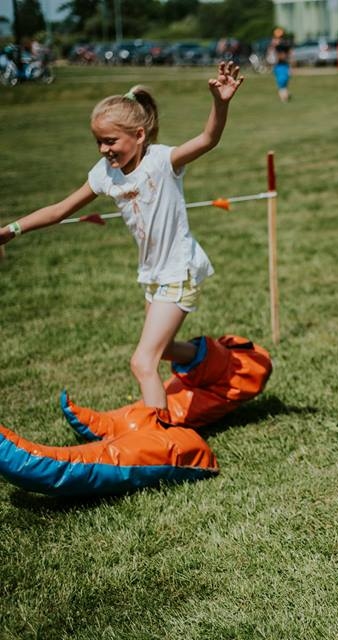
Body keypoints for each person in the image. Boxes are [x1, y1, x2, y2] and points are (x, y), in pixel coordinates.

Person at [0, 62, 244, 427]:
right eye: (98, 141)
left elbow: (208, 139)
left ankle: (162, 441)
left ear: (140, 135)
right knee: (162, 352)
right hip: (152, 275)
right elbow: (60, 209)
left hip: (179, 270)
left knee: (142, 361)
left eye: (111, 141)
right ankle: (210, 358)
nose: (103, 149)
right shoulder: (105, 174)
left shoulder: (163, 162)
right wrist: (11, 229)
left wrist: (220, 103)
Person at [268, 28, 292, 102]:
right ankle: (284, 97)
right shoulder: (274, 45)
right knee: (281, 82)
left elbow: (288, 54)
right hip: (278, 66)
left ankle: (285, 94)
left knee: (284, 81)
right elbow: (271, 56)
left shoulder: (285, 45)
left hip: (284, 65)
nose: (279, 39)